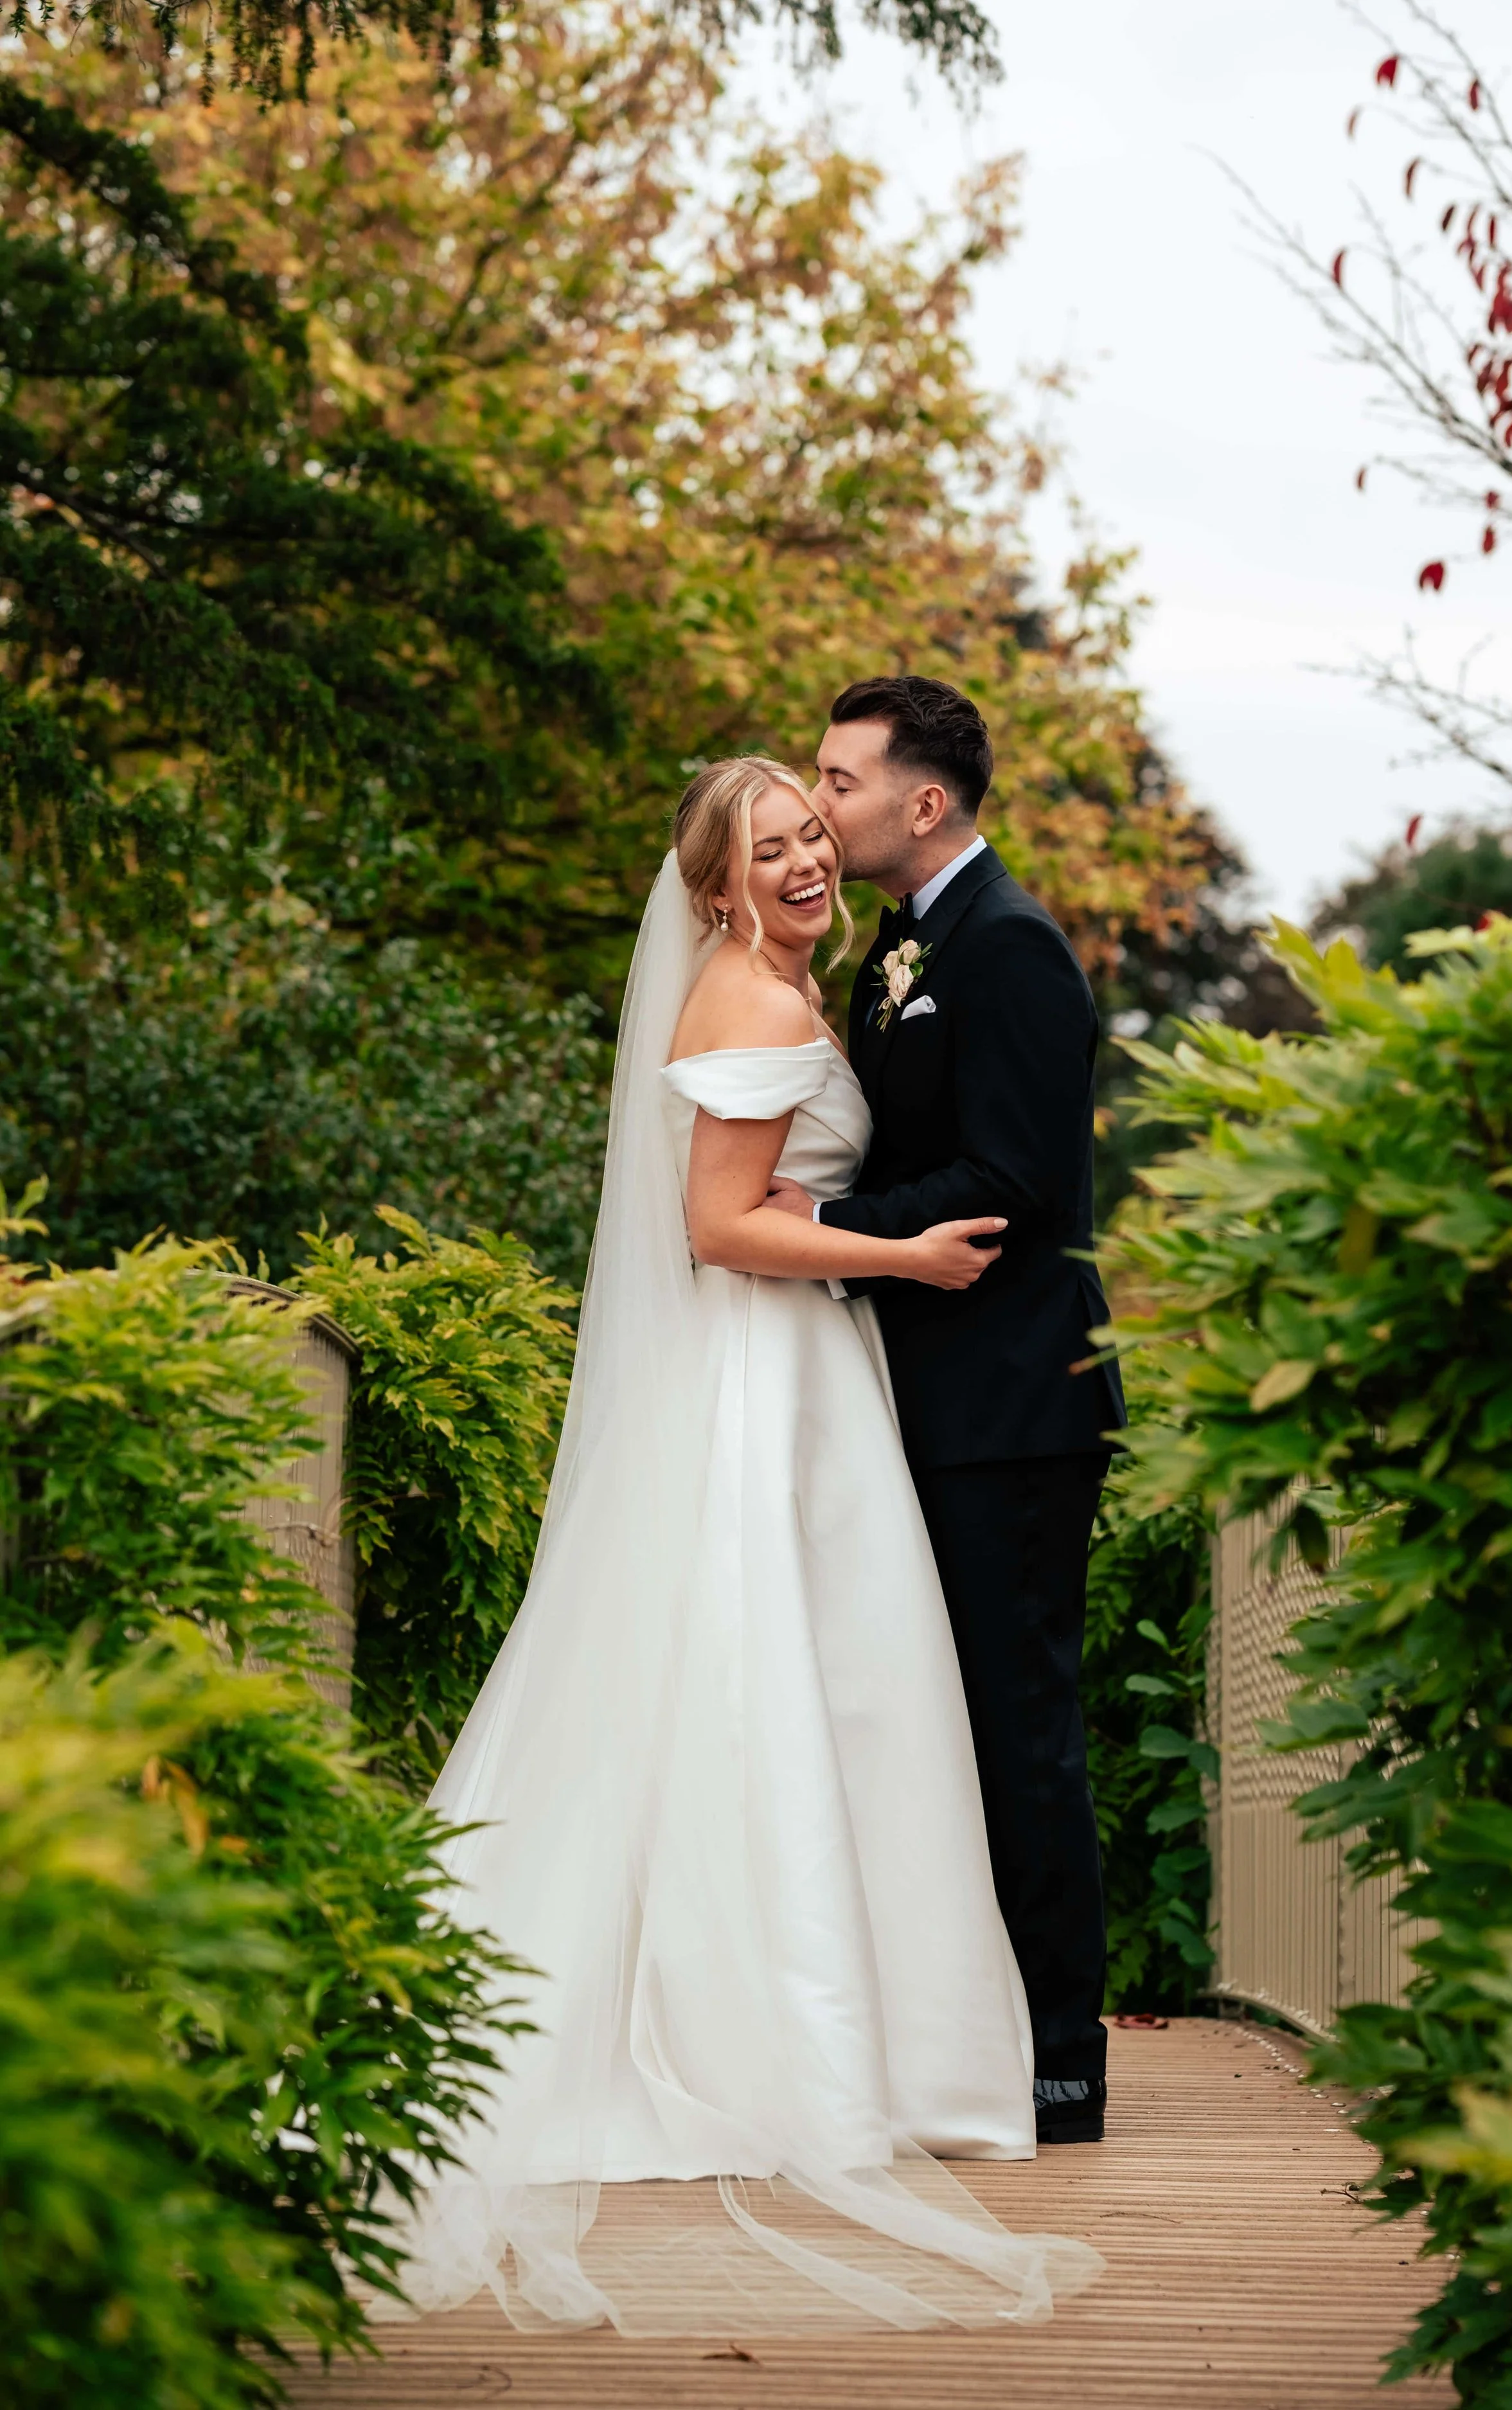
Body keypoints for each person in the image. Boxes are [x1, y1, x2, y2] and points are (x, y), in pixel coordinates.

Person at [372, 756, 1103, 2336]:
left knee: (806, 1690)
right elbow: (722, 1225)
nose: (802, 861)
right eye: (769, 847)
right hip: (766, 1373)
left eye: (808, 834)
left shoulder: (781, 985)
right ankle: (786, 2045)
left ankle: (822, 2026)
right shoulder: (754, 1003)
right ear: (713, 886)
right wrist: (897, 1253)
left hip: (798, 1372)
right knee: (783, 1683)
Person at [770, 677, 1126, 2146]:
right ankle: (955, 2044)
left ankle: (1058, 2067)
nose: (817, 802)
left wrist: (830, 1221)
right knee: (934, 1724)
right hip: (920, 1395)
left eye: (840, 780)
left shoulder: (1012, 948)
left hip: (1012, 1409)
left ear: (923, 803)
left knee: (1016, 1728)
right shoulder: (899, 949)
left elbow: (1013, 1180)